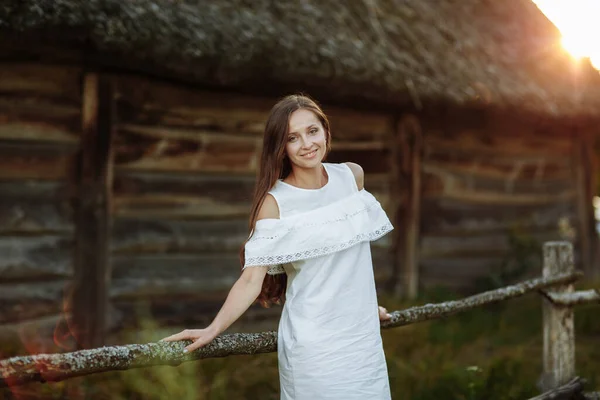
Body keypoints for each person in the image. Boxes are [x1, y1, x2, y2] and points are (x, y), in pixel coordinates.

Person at [162, 94, 394, 399]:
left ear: (325, 130)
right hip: (315, 349)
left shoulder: (352, 176)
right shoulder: (276, 203)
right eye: (292, 138)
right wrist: (212, 329)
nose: (307, 144)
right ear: (281, 147)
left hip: (363, 341)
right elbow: (250, 280)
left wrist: (361, 307)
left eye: (312, 131)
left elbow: (348, 258)